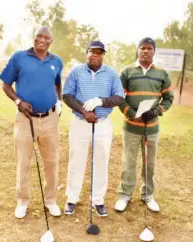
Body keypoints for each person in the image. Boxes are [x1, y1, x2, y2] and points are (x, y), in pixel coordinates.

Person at [0, 26, 63, 218]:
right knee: (24, 162)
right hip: (25, 119)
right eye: (38, 36)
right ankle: (23, 201)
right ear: (33, 37)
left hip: (50, 119)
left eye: (46, 38)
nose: (42, 40)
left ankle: (51, 200)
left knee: (51, 162)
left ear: (51, 41)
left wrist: (59, 101)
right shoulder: (19, 57)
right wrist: (18, 101)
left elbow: (58, 82)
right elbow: (5, 84)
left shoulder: (56, 61)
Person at [63, 41, 125, 217]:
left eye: (99, 53)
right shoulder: (76, 71)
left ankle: (98, 200)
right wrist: (84, 111)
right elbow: (67, 95)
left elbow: (119, 97)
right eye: (92, 52)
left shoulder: (111, 73)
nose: (95, 55)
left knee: (101, 162)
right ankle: (72, 198)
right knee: (76, 161)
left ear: (103, 55)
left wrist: (101, 101)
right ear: (86, 53)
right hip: (80, 123)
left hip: (103, 124)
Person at [115, 37, 174, 212]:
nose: (146, 51)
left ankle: (148, 195)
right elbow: (119, 98)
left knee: (149, 162)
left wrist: (156, 111)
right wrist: (132, 114)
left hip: (152, 127)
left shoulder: (162, 73)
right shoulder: (127, 72)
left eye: (149, 48)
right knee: (129, 161)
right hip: (131, 127)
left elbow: (169, 98)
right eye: (143, 48)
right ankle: (125, 194)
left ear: (154, 51)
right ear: (138, 50)